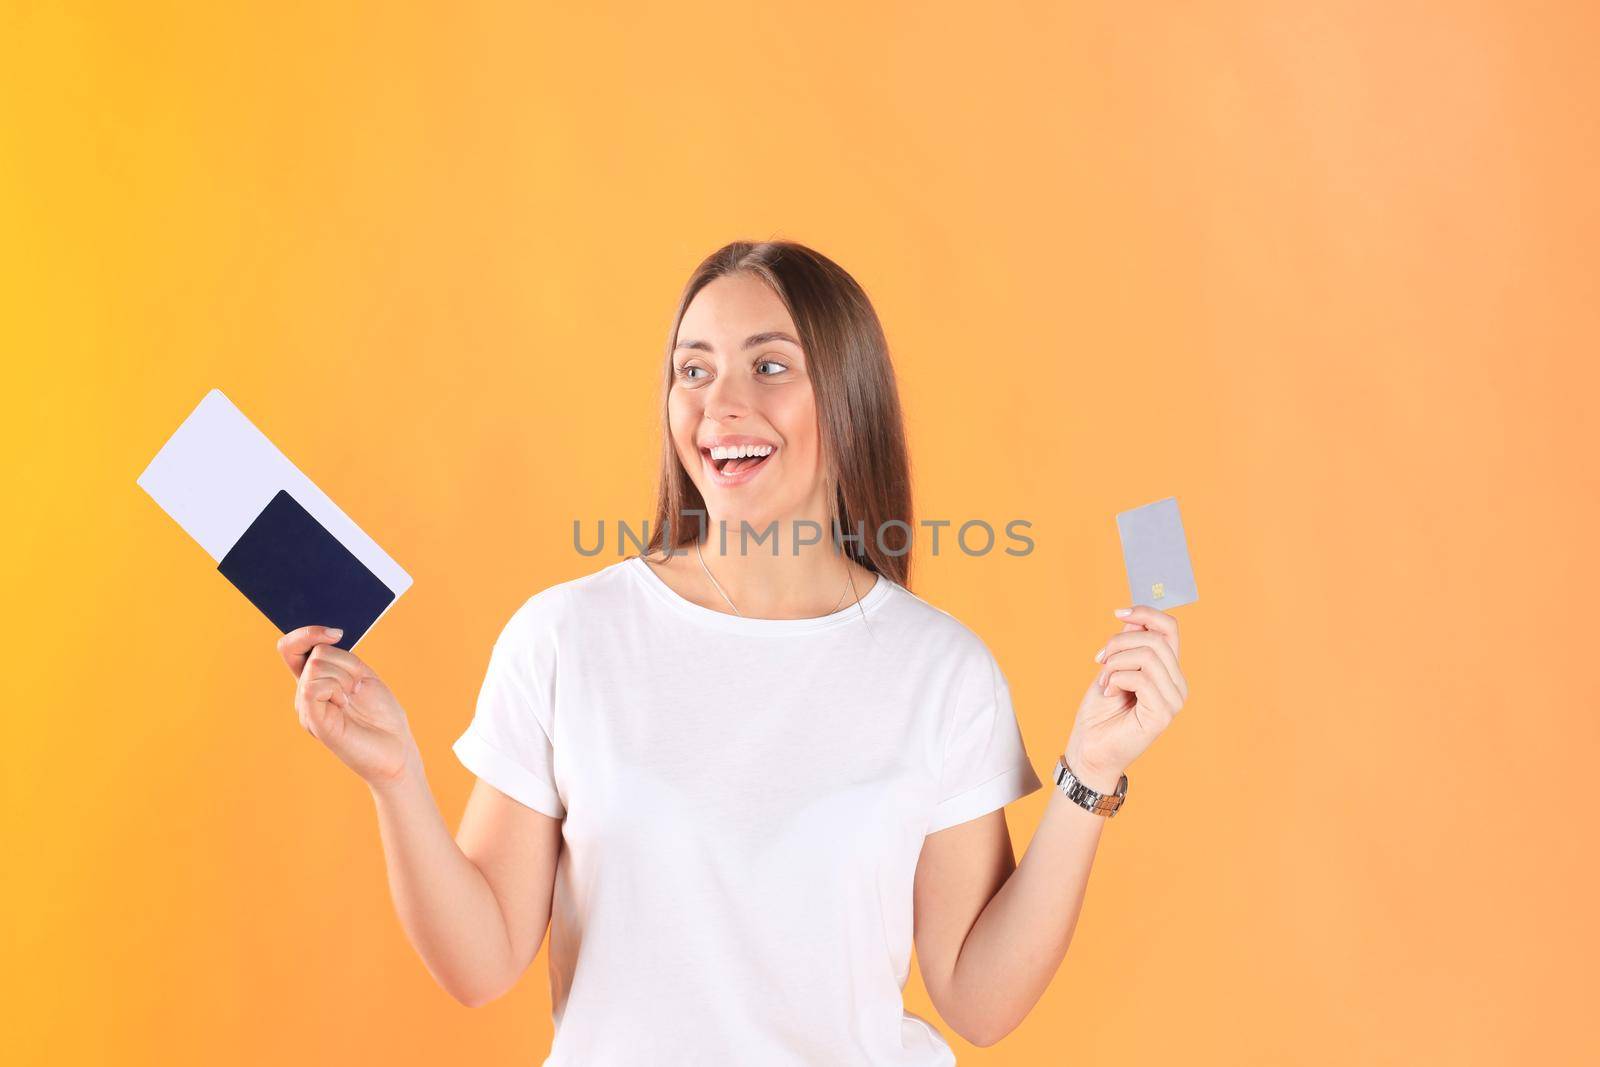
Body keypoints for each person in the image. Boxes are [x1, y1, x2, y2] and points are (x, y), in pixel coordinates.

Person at [276, 240, 1190, 1064]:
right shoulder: (568, 638)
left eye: (769, 365)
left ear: (849, 396)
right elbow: (479, 965)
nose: (722, 404)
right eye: (694, 370)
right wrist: (394, 776)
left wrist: (1089, 773)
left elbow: (980, 1000)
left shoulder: (940, 670)